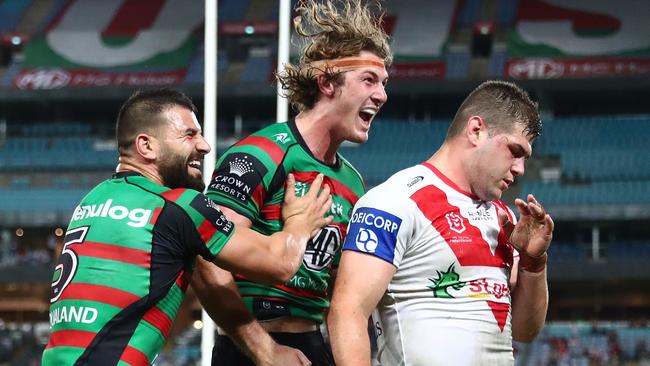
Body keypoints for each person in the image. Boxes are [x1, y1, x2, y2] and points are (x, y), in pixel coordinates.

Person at [41, 89, 333, 365]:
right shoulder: (178, 206)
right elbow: (279, 263)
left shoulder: (93, 199)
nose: (205, 146)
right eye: (189, 135)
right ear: (146, 145)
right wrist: (299, 223)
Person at [191, 0, 392, 365]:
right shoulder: (259, 155)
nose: (382, 95)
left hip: (314, 346)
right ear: (327, 82)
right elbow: (207, 262)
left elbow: (343, 291)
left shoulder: (353, 182)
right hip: (249, 348)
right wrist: (265, 350)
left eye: (383, 83)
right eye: (369, 80)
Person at [328, 80, 554, 365]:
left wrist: (534, 262)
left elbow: (525, 330)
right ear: (476, 130)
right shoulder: (394, 201)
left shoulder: (505, 219)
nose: (520, 168)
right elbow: (347, 311)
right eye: (515, 151)